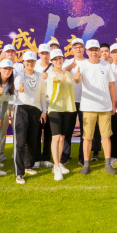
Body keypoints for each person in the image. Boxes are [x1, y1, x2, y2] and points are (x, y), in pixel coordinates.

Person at [75, 39, 117, 175]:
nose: (94, 52)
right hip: (88, 107)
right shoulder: (82, 65)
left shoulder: (106, 65)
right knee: (87, 137)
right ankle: (86, 165)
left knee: (106, 136)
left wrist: (113, 104)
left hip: (105, 107)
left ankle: (108, 164)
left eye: (96, 50)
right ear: (87, 51)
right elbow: (77, 80)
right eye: (91, 50)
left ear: (99, 51)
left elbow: (112, 86)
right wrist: (76, 77)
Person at [13, 51, 48, 183]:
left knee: (32, 140)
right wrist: (20, 89)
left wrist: (44, 111)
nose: (30, 63)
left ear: (35, 62)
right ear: (23, 62)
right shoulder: (19, 74)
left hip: (36, 109)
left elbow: (43, 94)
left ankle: (28, 166)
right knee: (20, 141)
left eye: (32, 61)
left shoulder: (39, 76)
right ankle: (19, 173)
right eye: (28, 61)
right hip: (21, 108)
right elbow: (17, 85)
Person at [61, 38, 92, 166]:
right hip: (70, 100)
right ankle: (64, 156)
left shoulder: (89, 62)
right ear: (72, 49)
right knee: (67, 129)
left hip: (86, 100)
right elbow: (60, 75)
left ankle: (82, 157)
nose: (78, 49)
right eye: (75, 47)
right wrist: (70, 67)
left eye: (80, 47)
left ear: (84, 49)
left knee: (85, 130)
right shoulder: (66, 63)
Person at [46, 49, 76, 180]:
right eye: (55, 59)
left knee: (63, 137)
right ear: (52, 61)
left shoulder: (68, 74)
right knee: (56, 137)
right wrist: (59, 78)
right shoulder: (51, 74)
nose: (58, 61)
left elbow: (70, 90)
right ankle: (57, 167)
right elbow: (55, 79)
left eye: (60, 58)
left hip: (66, 108)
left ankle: (57, 164)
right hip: (55, 108)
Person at [34, 43, 54, 168]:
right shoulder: (34, 65)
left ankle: (46, 158)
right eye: (42, 53)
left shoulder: (54, 66)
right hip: (37, 103)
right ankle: (36, 158)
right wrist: (41, 78)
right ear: (39, 54)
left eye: (47, 53)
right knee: (36, 132)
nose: (45, 55)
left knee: (49, 133)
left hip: (51, 104)